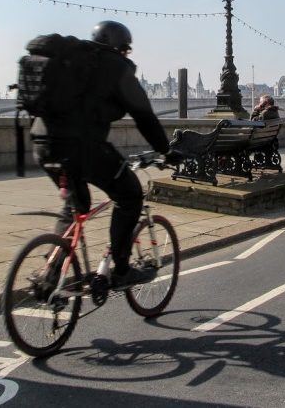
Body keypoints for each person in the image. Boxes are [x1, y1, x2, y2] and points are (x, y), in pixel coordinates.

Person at [30, 20, 180, 289]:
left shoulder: (73, 58)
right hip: (80, 147)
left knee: (75, 206)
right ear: (120, 48)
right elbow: (144, 116)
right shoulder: (115, 66)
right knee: (130, 195)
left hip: (41, 142)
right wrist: (166, 151)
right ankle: (122, 270)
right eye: (125, 50)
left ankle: (51, 273)